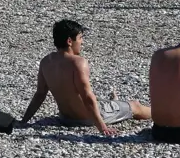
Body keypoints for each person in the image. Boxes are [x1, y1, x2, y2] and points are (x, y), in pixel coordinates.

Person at [20, 19, 152, 136]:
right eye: (80, 38)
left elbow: (40, 94)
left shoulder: (46, 62)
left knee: (102, 101)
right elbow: (87, 97)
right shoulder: (78, 62)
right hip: (87, 118)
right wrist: (102, 127)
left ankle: (114, 102)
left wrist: (24, 121)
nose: (82, 42)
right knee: (135, 106)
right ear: (70, 41)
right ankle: (163, 114)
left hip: (65, 118)